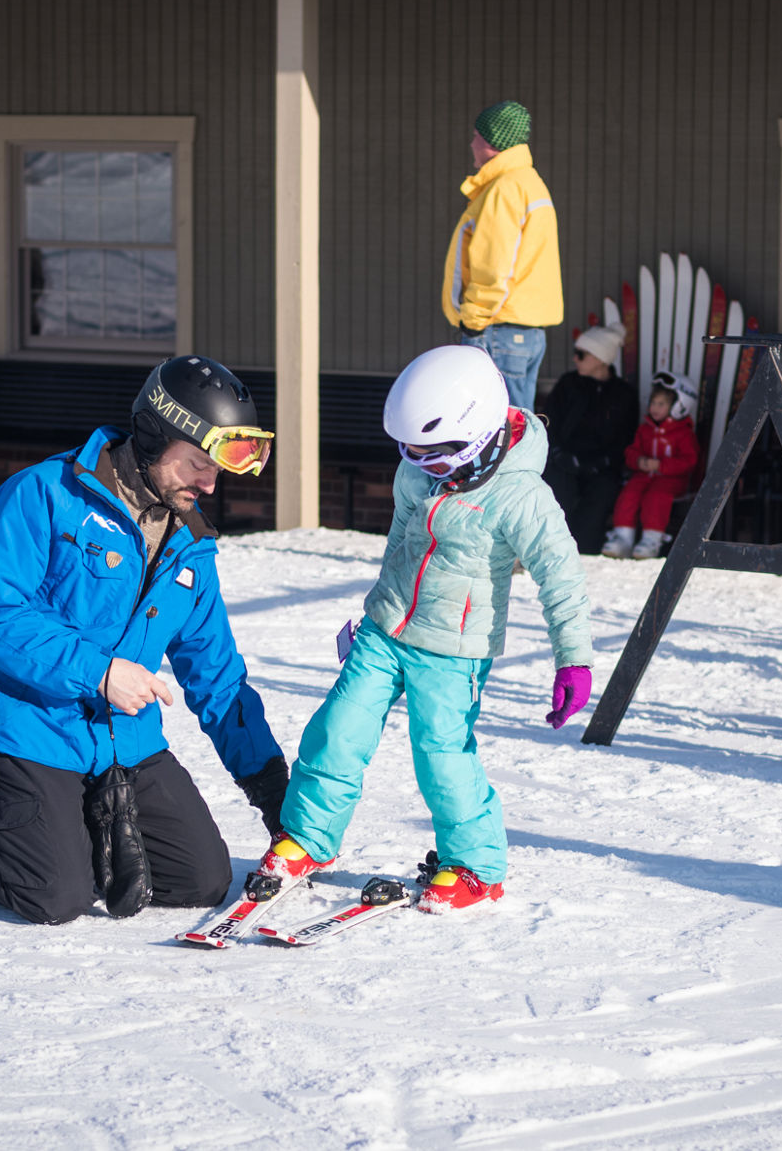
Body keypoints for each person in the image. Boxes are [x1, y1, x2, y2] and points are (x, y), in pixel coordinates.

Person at [0, 356, 289, 925]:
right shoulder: (42, 495)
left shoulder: (190, 543)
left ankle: (67, 827)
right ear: (155, 437)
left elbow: (216, 675)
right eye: (197, 464)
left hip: (125, 743)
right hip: (29, 731)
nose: (210, 484)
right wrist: (101, 672)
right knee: (55, 897)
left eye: (216, 470)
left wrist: (273, 793)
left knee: (202, 880)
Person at [256, 346, 593, 913]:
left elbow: (562, 578)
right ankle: (308, 840)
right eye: (411, 454)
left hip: (453, 651)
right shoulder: (418, 472)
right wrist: (373, 611)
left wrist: (573, 660)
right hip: (385, 633)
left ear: (480, 433)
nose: (421, 467)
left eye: (435, 457)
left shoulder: (522, 497)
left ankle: (476, 866)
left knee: (441, 756)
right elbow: (399, 548)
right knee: (337, 731)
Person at [442, 100, 563, 412]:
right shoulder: (529, 184)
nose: (471, 143)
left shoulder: (504, 189)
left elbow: (494, 264)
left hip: (498, 329)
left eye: (476, 136)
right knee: (516, 423)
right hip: (524, 332)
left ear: (492, 143)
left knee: (496, 426)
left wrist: (474, 322)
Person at [541, 323, 640, 554]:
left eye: (581, 354)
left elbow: (626, 437)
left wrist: (602, 463)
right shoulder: (568, 384)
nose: (575, 359)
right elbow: (548, 423)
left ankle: (586, 555)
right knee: (557, 494)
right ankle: (549, 551)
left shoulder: (623, 394)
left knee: (600, 497)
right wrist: (557, 454)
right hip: (564, 461)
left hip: (602, 466)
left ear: (600, 358)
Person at [602, 372, 701, 559]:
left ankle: (651, 540)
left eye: (661, 404)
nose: (654, 408)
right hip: (644, 476)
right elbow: (631, 452)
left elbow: (689, 461)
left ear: (679, 406)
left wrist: (662, 466)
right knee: (628, 494)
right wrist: (639, 461)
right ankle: (623, 538)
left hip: (672, 480)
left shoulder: (684, 434)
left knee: (656, 497)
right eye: (653, 403)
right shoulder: (644, 429)